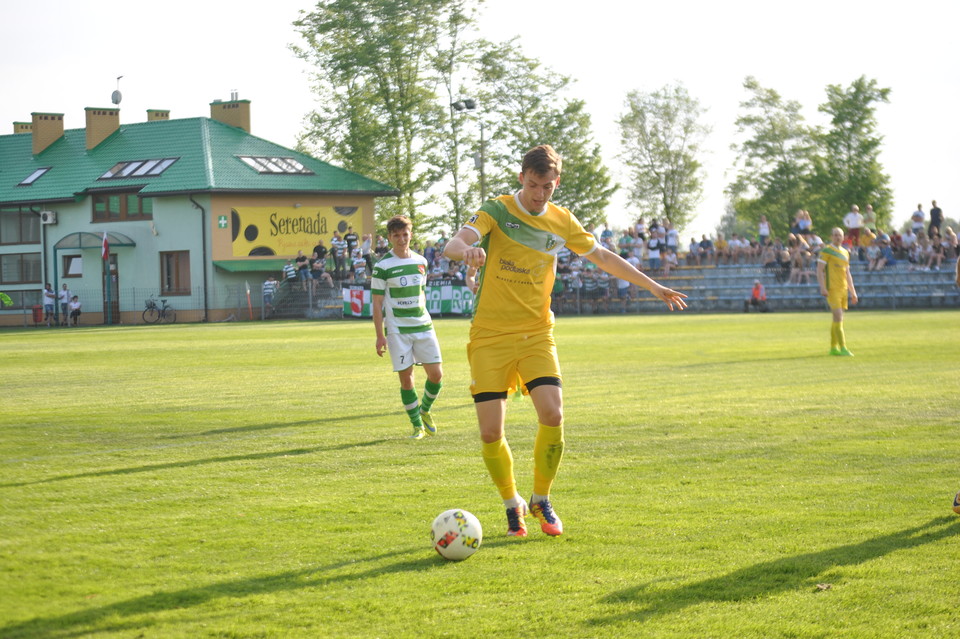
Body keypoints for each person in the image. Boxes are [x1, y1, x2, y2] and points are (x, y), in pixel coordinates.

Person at [442, 144, 687, 538]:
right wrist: (468, 251)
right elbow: (453, 244)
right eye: (535, 185)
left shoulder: (563, 221)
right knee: (490, 432)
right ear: (522, 177)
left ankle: (541, 498)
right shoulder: (497, 210)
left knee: (553, 414)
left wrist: (653, 286)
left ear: (556, 183)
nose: (540, 194)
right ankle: (512, 505)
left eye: (548, 187)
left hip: (538, 333)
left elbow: (604, 257)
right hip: (489, 335)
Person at [372, 215, 443, 440]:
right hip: (397, 330)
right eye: (396, 236)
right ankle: (416, 426)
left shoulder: (421, 261)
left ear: (411, 234)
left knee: (436, 375)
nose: (402, 239)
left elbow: (421, 292)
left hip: (423, 325)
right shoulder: (382, 266)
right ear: (389, 238)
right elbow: (377, 303)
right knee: (407, 379)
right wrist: (379, 336)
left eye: (405, 234)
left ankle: (425, 410)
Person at [816, 227, 858, 356]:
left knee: (837, 319)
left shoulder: (845, 252)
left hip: (843, 289)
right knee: (839, 317)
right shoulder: (826, 251)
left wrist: (853, 291)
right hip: (832, 289)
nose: (837, 237)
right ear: (831, 236)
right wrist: (823, 287)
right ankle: (843, 348)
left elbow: (847, 273)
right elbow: (819, 270)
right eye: (835, 235)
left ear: (843, 237)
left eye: (839, 235)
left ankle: (833, 348)